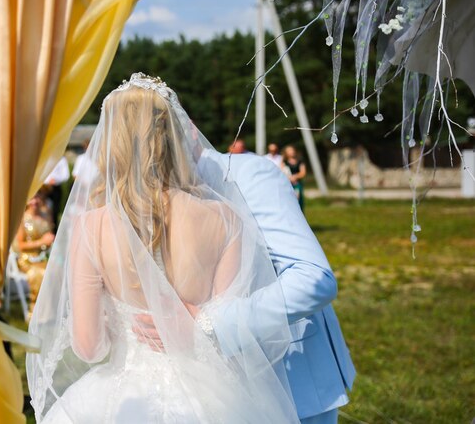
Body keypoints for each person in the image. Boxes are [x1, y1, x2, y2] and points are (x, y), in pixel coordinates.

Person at [27, 73, 299, 423]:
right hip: (212, 398)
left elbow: (90, 347)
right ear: (175, 135)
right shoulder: (225, 219)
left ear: (111, 142)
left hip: (121, 396)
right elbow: (231, 329)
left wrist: (117, 322)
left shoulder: (91, 227)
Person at [135, 149, 356, 424]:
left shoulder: (248, 175)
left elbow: (312, 279)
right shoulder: (141, 191)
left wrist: (207, 324)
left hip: (290, 382)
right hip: (202, 391)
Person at [15, 193, 55, 318]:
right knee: (41, 273)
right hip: (27, 259)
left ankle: (53, 311)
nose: (35, 201)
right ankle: (36, 312)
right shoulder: (22, 218)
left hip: (44, 256)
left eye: (38, 197)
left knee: (59, 271)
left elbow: (49, 235)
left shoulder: (46, 214)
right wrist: (41, 242)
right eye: (32, 198)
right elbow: (20, 246)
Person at [44, 156, 70, 227]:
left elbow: (65, 175)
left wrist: (55, 180)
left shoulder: (62, 159)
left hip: (56, 188)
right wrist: (47, 181)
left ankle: (54, 229)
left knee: (55, 211)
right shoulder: (44, 157)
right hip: (44, 189)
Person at [281, 145, 307, 212]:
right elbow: (281, 171)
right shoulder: (284, 162)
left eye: (292, 150)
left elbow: (303, 173)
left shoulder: (300, 161)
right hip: (288, 184)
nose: (291, 152)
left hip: (297, 184)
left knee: (298, 201)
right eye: (289, 151)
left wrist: (295, 176)